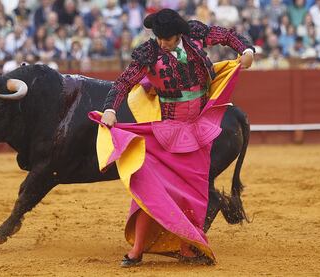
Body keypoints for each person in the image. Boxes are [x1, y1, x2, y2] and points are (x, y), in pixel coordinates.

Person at [96, 8, 254, 267]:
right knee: (150, 190)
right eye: (158, 38)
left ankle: (187, 248)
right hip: (166, 130)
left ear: (178, 34)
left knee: (193, 193)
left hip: (198, 130)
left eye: (166, 39)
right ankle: (136, 251)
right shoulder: (148, 52)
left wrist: (247, 50)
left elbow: (226, 35)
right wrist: (111, 109)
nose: (161, 43)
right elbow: (123, 82)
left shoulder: (194, 33)